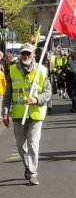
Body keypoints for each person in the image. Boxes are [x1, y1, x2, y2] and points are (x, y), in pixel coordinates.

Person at [2, 43, 52, 186]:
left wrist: (37, 99)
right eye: (23, 53)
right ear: (20, 54)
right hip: (18, 114)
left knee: (33, 144)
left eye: (28, 54)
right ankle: (28, 167)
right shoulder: (12, 70)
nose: (26, 56)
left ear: (33, 55)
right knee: (20, 145)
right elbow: (7, 94)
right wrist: (5, 112)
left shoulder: (42, 70)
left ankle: (33, 173)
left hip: (36, 113)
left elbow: (47, 92)